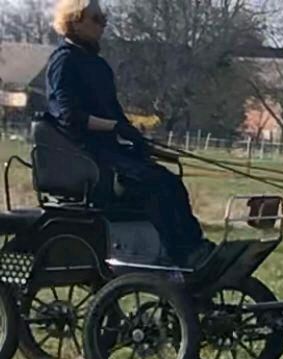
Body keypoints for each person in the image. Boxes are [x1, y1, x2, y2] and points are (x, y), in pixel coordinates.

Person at [46, 0, 214, 267]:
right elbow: (68, 115)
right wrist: (111, 127)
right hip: (86, 157)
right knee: (157, 185)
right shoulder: (64, 62)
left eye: (104, 18)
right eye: (97, 19)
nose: (104, 24)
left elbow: (114, 113)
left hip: (109, 151)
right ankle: (182, 254)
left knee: (171, 182)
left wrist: (140, 141)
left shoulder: (98, 65)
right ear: (74, 21)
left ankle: (196, 247)